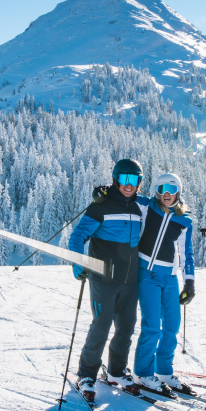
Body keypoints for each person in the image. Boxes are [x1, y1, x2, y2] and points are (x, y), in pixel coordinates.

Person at [68, 158, 144, 397]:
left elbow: (163, 205)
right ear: (115, 179)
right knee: (101, 326)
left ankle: (116, 371)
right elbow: (78, 236)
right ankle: (86, 375)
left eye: (134, 180)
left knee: (126, 328)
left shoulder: (139, 206)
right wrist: (79, 261)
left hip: (130, 279)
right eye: (124, 179)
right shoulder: (100, 206)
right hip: (103, 278)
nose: (129, 185)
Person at [130, 172, 195, 393]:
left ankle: (164, 371)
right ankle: (143, 373)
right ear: (156, 192)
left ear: (178, 191)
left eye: (171, 188)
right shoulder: (148, 206)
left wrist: (189, 282)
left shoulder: (185, 219)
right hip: (146, 273)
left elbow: (187, 254)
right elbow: (124, 195)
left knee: (171, 326)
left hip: (170, 277)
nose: (166, 194)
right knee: (152, 326)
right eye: (161, 189)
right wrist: (105, 191)